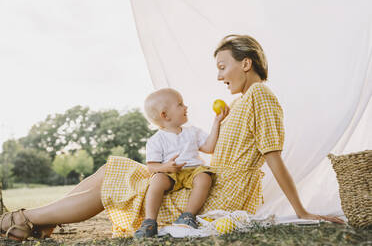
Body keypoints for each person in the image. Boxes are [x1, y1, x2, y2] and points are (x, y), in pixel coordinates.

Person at [0, 34, 344, 241]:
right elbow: (212, 147)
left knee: (114, 179)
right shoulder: (241, 103)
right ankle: (35, 222)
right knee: (114, 170)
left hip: (217, 194)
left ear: (246, 63)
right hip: (206, 182)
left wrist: (302, 211)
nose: (219, 75)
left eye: (223, 66)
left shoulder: (260, 97)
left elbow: (273, 156)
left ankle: (24, 220)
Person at [134, 88, 228, 237]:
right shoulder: (156, 140)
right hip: (170, 173)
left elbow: (209, 147)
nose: (186, 107)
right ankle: (150, 222)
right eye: (180, 104)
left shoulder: (193, 132)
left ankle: (187, 216)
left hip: (194, 170)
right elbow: (151, 166)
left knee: (205, 177)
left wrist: (217, 122)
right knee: (157, 180)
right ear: (165, 115)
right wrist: (165, 167)